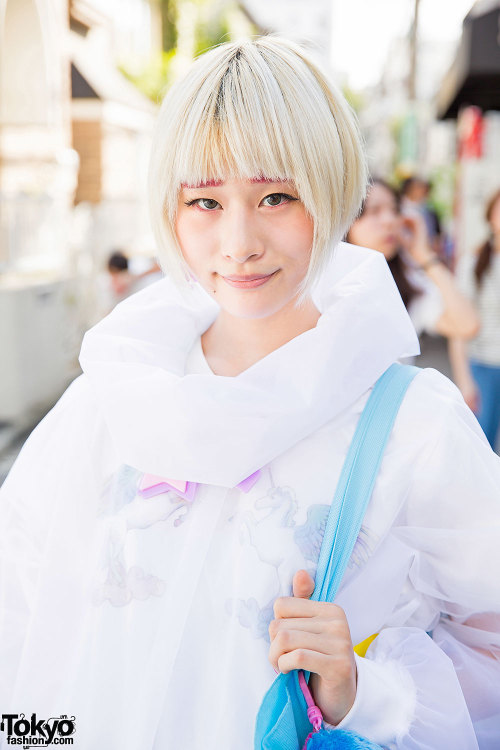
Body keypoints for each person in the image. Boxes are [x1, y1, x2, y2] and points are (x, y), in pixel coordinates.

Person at [0, 36, 499, 750]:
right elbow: (19, 619)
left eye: (276, 196)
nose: (238, 242)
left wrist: (363, 692)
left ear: (331, 193)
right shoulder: (111, 400)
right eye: (204, 200)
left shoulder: (409, 426)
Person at [346, 178, 479, 344]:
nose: (389, 220)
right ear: (344, 221)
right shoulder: (323, 283)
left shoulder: (407, 284)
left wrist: (423, 254)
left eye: (395, 210)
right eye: (374, 211)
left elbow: (466, 325)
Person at [449, 188, 500, 451]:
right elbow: (458, 326)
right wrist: (464, 380)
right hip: (483, 366)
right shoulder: (475, 263)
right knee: (481, 446)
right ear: (490, 216)